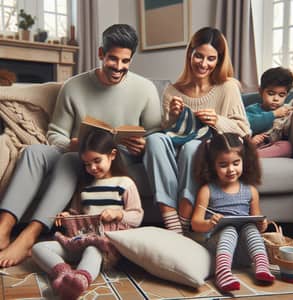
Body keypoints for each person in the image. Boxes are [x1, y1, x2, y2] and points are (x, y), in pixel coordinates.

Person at [0, 24, 161, 267]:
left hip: (116, 159)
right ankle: (4, 228)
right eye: (112, 59)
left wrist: (144, 145)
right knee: (34, 152)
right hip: (78, 151)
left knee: (71, 160)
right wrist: (72, 143)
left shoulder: (145, 89)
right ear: (100, 54)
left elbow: (157, 134)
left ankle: (30, 234)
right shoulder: (73, 86)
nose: (118, 67)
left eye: (125, 61)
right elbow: (55, 133)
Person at [143, 27, 250, 234]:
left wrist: (217, 120)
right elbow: (168, 131)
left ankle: (183, 220)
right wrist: (173, 116)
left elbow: (244, 130)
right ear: (190, 53)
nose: (203, 64)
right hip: (175, 147)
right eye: (198, 56)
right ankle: (171, 220)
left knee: (193, 147)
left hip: (205, 149)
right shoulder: (173, 91)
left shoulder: (228, 87)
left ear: (219, 60)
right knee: (155, 139)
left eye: (211, 59)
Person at [32, 129, 143, 300]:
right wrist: (66, 215)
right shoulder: (85, 188)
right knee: (39, 248)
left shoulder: (125, 183)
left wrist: (118, 214)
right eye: (86, 164)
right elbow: (77, 214)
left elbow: (137, 216)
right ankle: (64, 274)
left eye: (97, 161)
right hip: (80, 240)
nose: (92, 168)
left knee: (93, 249)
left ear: (112, 155)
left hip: (106, 246)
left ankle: (81, 280)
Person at [191, 132, 275, 292]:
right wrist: (209, 223)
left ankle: (262, 266)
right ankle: (222, 273)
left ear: (244, 161)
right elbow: (195, 224)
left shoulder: (250, 190)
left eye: (236, 163)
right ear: (212, 165)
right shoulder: (207, 190)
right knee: (229, 230)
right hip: (217, 249)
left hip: (243, 253)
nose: (231, 169)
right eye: (223, 165)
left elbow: (258, 226)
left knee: (250, 227)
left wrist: (262, 224)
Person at [246, 67, 293, 157]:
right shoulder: (252, 109)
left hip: (271, 146)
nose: (276, 99)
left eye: (281, 95)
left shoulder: (286, 109)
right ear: (261, 91)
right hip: (253, 145)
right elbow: (248, 124)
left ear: (287, 95)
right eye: (271, 93)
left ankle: (251, 157)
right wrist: (274, 114)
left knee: (286, 146)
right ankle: (248, 156)